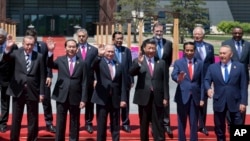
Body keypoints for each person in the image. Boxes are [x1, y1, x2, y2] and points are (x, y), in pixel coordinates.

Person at [3, 35, 45, 141]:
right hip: (18, 91)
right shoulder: (17, 53)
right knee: (16, 119)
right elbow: (6, 59)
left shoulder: (39, 56)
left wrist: (42, 93)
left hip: (33, 91)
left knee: (33, 119)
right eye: (27, 44)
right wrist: (7, 49)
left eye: (31, 44)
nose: (29, 47)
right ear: (23, 43)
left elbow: (42, 76)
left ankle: (32, 139)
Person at [47, 38, 88, 141]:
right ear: (65, 48)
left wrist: (83, 99)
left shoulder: (82, 63)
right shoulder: (60, 60)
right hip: (61, 94)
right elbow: (50, 64)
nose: (71, 49)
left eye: (73, 47)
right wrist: (50, 52)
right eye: (69, 46)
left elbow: (84, 82)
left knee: (74, 121)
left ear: (77, 49)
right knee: (60, 121)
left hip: (76, 96)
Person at [204, 45, 248, 141]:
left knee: (238, 126)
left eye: (224, 53)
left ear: (231, 54)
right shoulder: (213, 67)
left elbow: (244, 86)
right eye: (220, 53)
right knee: (219, 126)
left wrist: (243, 102)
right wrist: (208, 88)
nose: (222, 55)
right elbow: (206, 80)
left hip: (236, 102)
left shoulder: (240, 67)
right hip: (219, 101)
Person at [129, 39, 168, 141]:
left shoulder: (161, 63)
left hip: (158, 96)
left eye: (153, 48)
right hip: (143, 96)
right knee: (144, 122)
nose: (151, 50)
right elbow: (131, 73)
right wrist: (139, 63)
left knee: (158, 122)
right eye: (149, 48)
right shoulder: (138, 61)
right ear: (144, 48)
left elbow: (165, 82)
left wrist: (166, 97)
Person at [91, 44, 127, 141]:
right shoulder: (99, 62)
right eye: (108, 51)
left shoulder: (118, 64)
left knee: (115, 124)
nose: (110, 54)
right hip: (102, 98)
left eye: (112, 52)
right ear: (105, 52)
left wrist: (123, 99)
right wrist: (99, 55)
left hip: (115, 99)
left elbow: (122, 83)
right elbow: (91, 66)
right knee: (101, 124)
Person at [171, 42, 204, 141]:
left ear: (194, 51)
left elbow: (202, 82)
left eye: (191, 50)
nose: (189, 52)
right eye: (187, 50)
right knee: (181, 121)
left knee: (194, 122)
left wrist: (202, 98)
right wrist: (178, 78)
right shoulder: (178, 62)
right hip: (182, 95)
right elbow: (174, 74)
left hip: (195, 96)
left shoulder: (200, 63)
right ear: (184, 51)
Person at [25, 28, 56, 133]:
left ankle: (49, 123)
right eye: (30, 39)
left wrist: (49, 75)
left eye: (34, 38)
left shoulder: (42, 46)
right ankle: (32, 125)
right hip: (30, 79)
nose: (32, 42)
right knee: (30, 103)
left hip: (43, 77)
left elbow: (48, 61)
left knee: (46, 100)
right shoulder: (24, 48)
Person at [221, 26, 250, 126]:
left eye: (239, 33)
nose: (237, 35)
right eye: (235, 33)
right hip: (230, 76)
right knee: (229, 98)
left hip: (244, 77)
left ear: (242, 33)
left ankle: (240, 123)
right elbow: (223, 61)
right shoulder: (226, 44)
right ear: (232, 33)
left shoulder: (248, 44)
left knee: (242, 99)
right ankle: (230, 123)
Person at [151, 22, 173, 135]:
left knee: (165, 98)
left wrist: (164, 69)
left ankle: (166, 123)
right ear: (153, 31)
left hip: (164, 75)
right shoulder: (148, 43)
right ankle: (152, 123)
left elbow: (168, 60)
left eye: (161, 31)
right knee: (151, 98)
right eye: (157, 31)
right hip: (151, 75)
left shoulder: (168, 43)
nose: (159, 33)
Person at [193, 26, 214, 136]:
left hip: (206, 79)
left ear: (203, 35)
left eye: (199, 34)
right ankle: (194, 124)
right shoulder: (190, 47)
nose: (197, 36)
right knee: (194, 102)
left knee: (203, 103)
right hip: (194, 78)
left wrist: (213, 78)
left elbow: (212, 64)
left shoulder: (209, 47)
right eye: (195, 34)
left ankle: (202, 125)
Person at [75, 28, 98, 134]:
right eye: (79, 36)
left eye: (83, 36)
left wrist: (96, 79)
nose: (81, 38)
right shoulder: (73, 48)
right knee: (75, 102)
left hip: (89, 81)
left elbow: (96, 67)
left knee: (89, 103)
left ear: (87, 37)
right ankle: (76, 124)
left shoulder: (93, 50)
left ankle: (88, 123)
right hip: (76, 81)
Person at [112, 31, 133, 133]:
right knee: (113, 104)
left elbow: (130, 66)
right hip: (113, 82)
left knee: (125, 103)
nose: (119, 40)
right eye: (117, 38)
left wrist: (131, 80)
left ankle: (125, 123)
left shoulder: (127, 51)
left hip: (125, 81)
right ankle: (114, 123)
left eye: (121, 38)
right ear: (113, 39)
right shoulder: (109, 50)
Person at [0, 28, 18, 133]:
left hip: (6, 78)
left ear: (5, 37)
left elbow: (16, 61)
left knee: (4, 101)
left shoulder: (13, 47)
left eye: (0, 37)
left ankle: (3, 123)